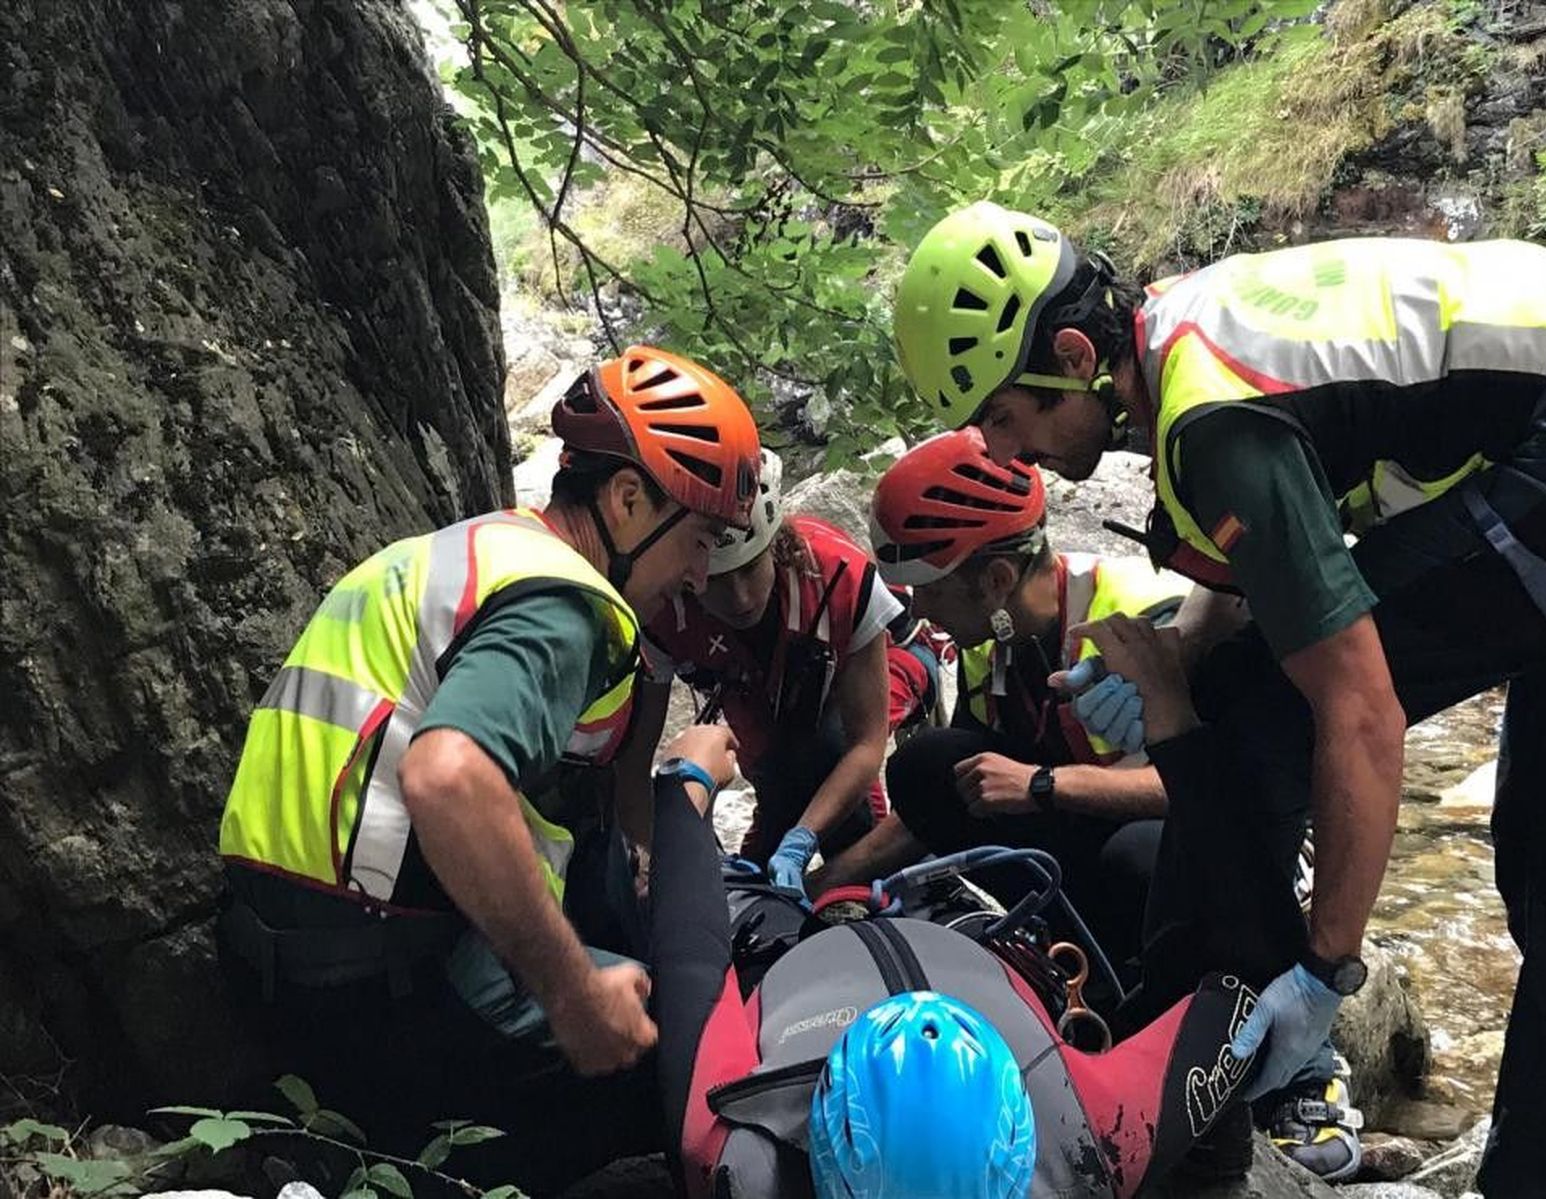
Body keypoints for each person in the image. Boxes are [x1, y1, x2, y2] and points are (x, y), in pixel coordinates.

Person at [893, 201, 1546, 1192]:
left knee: (1264, 713)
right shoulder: (1178, 339)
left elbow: (1358, 711)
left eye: (1008, 417)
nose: (1009, 455)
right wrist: (1164, 675)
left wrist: (1326, 969)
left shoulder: (1205, 420)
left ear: (1069, 352)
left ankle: (1214, 1076)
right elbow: (1229, 599)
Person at [215, 346, 761, 1190]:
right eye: (696, 539)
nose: (698, 575)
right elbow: (449, 775)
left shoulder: (467, 550)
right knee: (665, 1043)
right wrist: (575, 993)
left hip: (266, 955)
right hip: (379, 977)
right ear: (626, 500)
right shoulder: (565, 605)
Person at [646, 721, 1262, 1199]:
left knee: (703, 921)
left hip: (806, 966)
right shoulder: (1096, 1147)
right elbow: (1230, 1004)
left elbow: (691, 956)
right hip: (955, 946)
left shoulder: (731, 1155)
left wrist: (684, 783)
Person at [810, 429, 1190, 983]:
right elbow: (949, 798)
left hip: (1179, 849)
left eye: (931, 591)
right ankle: (1063, 950)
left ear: (996, 580)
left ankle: (1151, 991)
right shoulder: (989, 642)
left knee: (1138, 856)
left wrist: (1042, 783)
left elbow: (1208, 787)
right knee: (926, 765)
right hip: (1081, 834)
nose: (920, 611)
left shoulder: (1145, 615)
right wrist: (830, 882)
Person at [633, 449, 937, 890]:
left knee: (823, 747)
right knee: (776, 768)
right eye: (716, 581)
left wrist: (804, 838)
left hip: (892, 657)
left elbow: (865, 745)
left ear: (775, 547)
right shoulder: (664, 608)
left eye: (750, 569)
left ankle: (856, 886)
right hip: (767, 681)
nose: (738, 598)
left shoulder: (837, 575)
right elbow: (633, 764)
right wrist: (669, 865)